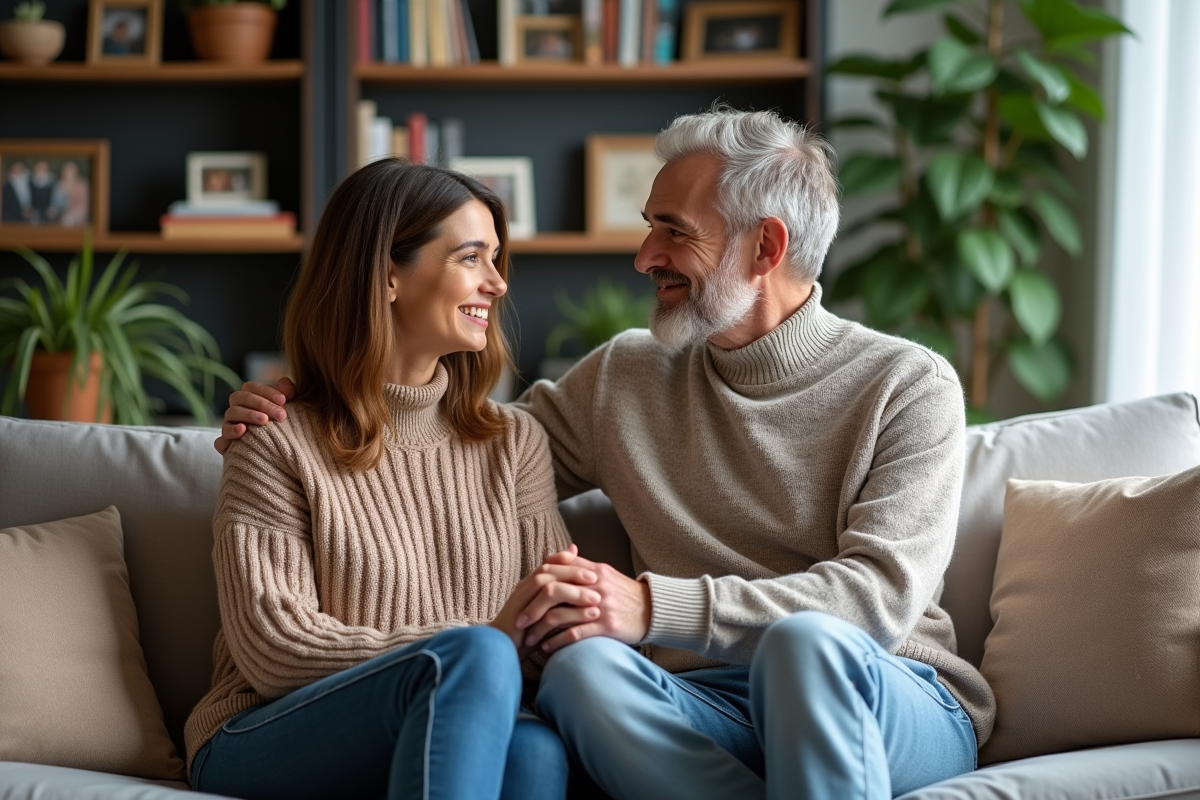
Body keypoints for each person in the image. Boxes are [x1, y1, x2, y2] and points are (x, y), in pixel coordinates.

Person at [217, 108, 997, 800]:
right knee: (581, 669)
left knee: (806, 647)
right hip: (701, 704)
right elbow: (457, 450)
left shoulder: (907, 384)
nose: (643, 256)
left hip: (885, 690)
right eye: (649, 225)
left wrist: (654, 608)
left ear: (767, 245)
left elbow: (876, 605)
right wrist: (312, 395)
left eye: (673, 230)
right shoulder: (626, 375)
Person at [186, 159, 600, 800]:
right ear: (386, 275)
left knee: (536, 752)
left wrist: (543, 627)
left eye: (496, 259)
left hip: (452, 720)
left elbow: (545, 635)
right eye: (471, 258)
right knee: (477, 657)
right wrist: (480, 643)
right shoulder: (274, 440)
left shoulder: (513, 443)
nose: (497, 283)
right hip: (261, 732)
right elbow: (275, 649)